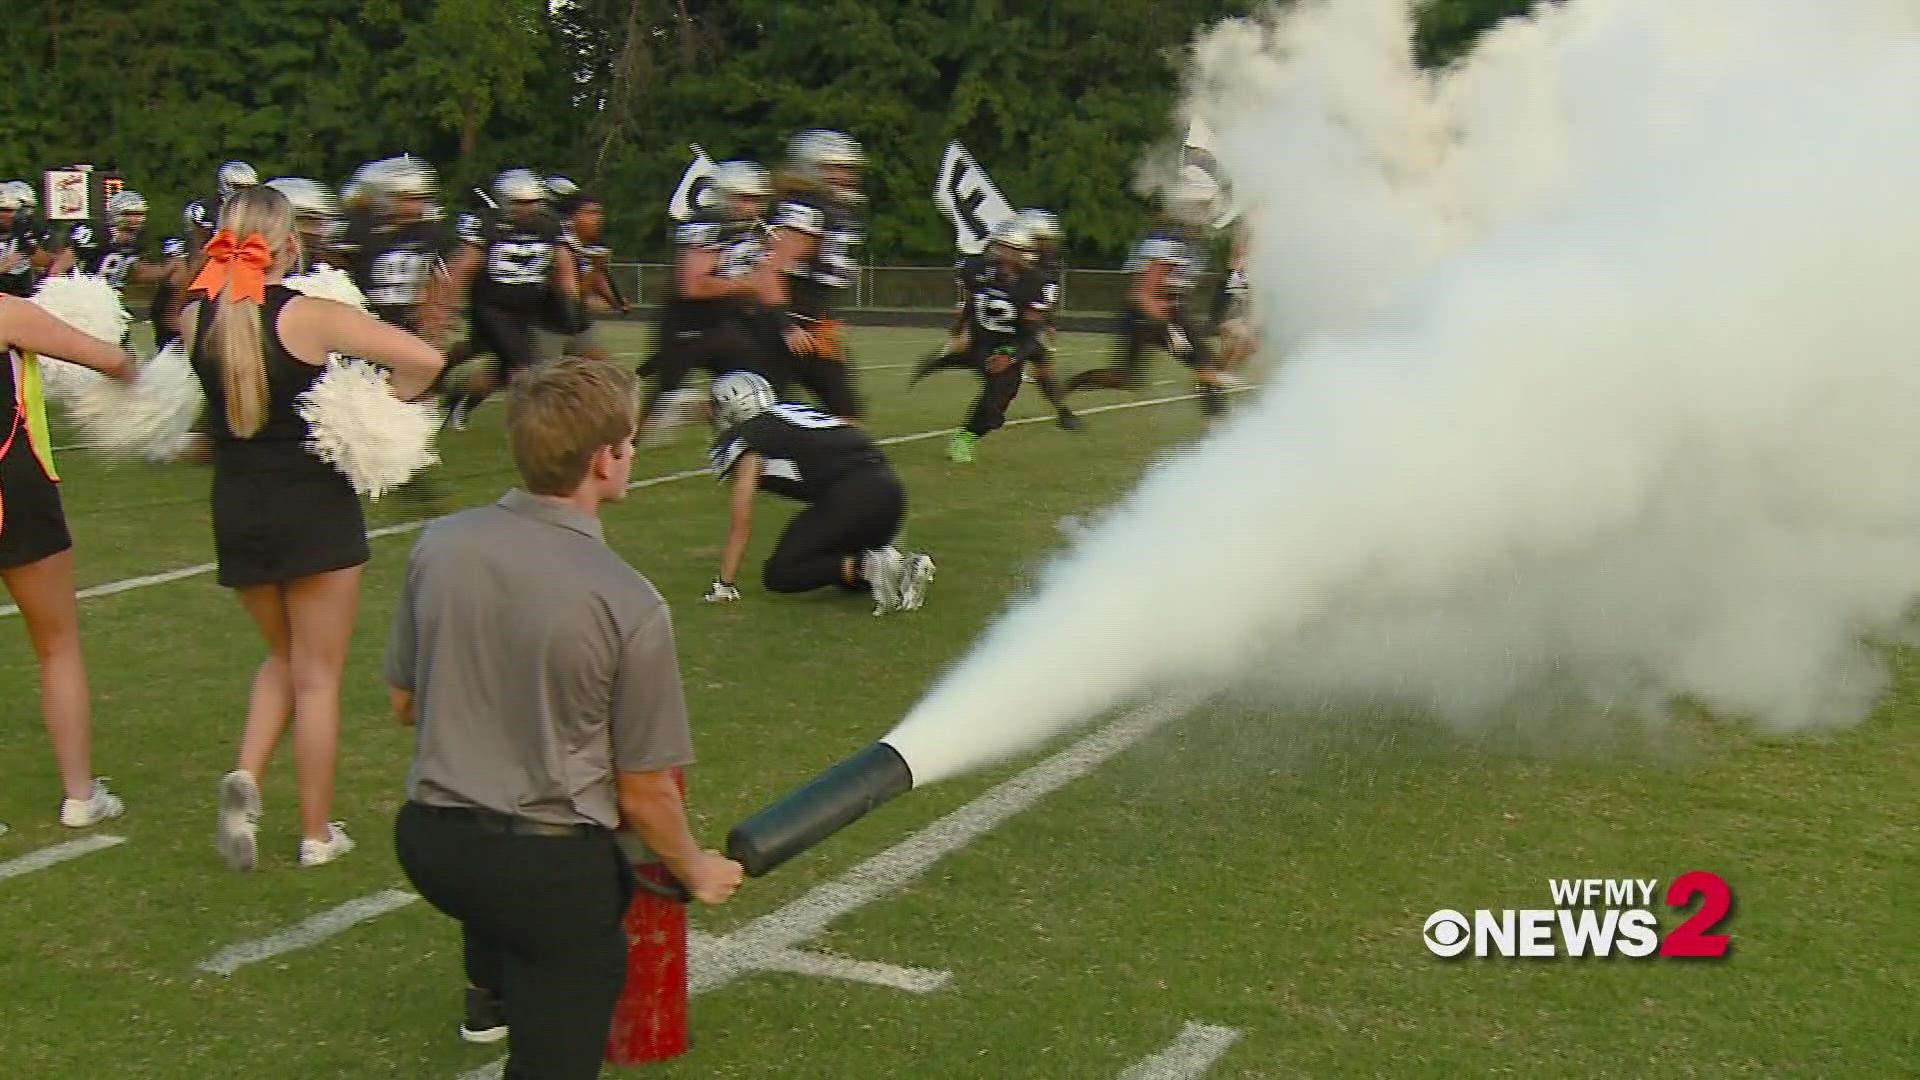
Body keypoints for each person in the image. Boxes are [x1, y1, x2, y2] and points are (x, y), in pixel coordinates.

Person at [387, 358, 742, 1078]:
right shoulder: (629, 603)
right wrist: (698, 869)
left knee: (508, 895)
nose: (633, 454)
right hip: (545, 870)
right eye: (629, 442)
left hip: (430, 843)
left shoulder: (439, 545)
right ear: (604, 460)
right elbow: (645, 793)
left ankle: (487, 996)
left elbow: (407, 703)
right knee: (563, 1020)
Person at [184, 186, 446, 871]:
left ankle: (246, 777)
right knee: (318, 678)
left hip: (236, 506)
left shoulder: (195, 317)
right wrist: (374, 408)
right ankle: (314, 834)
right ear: (288, 241)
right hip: (313, 506)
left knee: (284, 656)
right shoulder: (313, 315)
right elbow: (426, 361)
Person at [0, 295, 139, 834]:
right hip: (18, 486)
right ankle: (80, 796)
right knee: (56, 643)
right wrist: (139, 381)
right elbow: (108, 359)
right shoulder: (8, 313)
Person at [705, 372, 934, 613]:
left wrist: (725, 583)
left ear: (735, 405)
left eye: (717, 405)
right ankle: (902, 567)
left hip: (851, 496)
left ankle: (873, 564)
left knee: (781, 573)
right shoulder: (792, 413)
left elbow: (741, 522)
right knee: (841, 574)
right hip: (891, 494)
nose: (712, 412)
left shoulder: (751, 438)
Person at [1066, 166, 1229, 418]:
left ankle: (1072, 383)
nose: (1206, 211)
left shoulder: (1183, 235)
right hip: (1152, 312)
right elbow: (1143, 291)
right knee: (1204, 363)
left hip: (1161, 311)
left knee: (1125, 378)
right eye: (1201, 204)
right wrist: (1165, 323)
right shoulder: (1170, 238)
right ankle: (1223, 433)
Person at [640, 160, 782, 442]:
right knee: (661, 398)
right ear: (723, 195)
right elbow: (692, 286)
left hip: (722, 324)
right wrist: (746, 285)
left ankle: (734, 441)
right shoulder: (704, 226)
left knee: (754, 384)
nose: (751, 207)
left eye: (756, 199)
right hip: (686, 326)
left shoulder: (755, 231)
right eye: (743, 198)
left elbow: (765, 278)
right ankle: (622, 448)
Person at [437, 169, 579, 429]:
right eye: (520, 203)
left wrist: (569, 301)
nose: (528, 209)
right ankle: (536, 426)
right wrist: (448, 308)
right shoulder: (485, 222)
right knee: (524, 367)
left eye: (533, 202)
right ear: (503, 201)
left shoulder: (551, 223)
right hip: (492, 306)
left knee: (498, 365)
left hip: (529, 308)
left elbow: (563, 263)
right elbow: (464, 266)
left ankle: (449, 387)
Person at [910, 219, 1056, 463]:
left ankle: (965, 436)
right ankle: (943, 361)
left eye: (1007, 249)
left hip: (1006, 346)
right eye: (999, 247)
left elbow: (1031, 336)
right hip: (979, 338)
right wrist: (959, 330)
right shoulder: (979, 268)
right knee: (956, 360)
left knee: (994, 410)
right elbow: (971, 299)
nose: (998, 253)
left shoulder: (1035, 283)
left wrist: (1010, 355)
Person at [764, 130, 868, 420]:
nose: (845, 176)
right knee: (768, 417)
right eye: (834, 168)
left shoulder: (832, 208)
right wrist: (785, 325)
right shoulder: (805, 209)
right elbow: (770, 271)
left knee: (846, 412)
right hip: (787, 329)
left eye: (848, 168)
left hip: (817, 325)